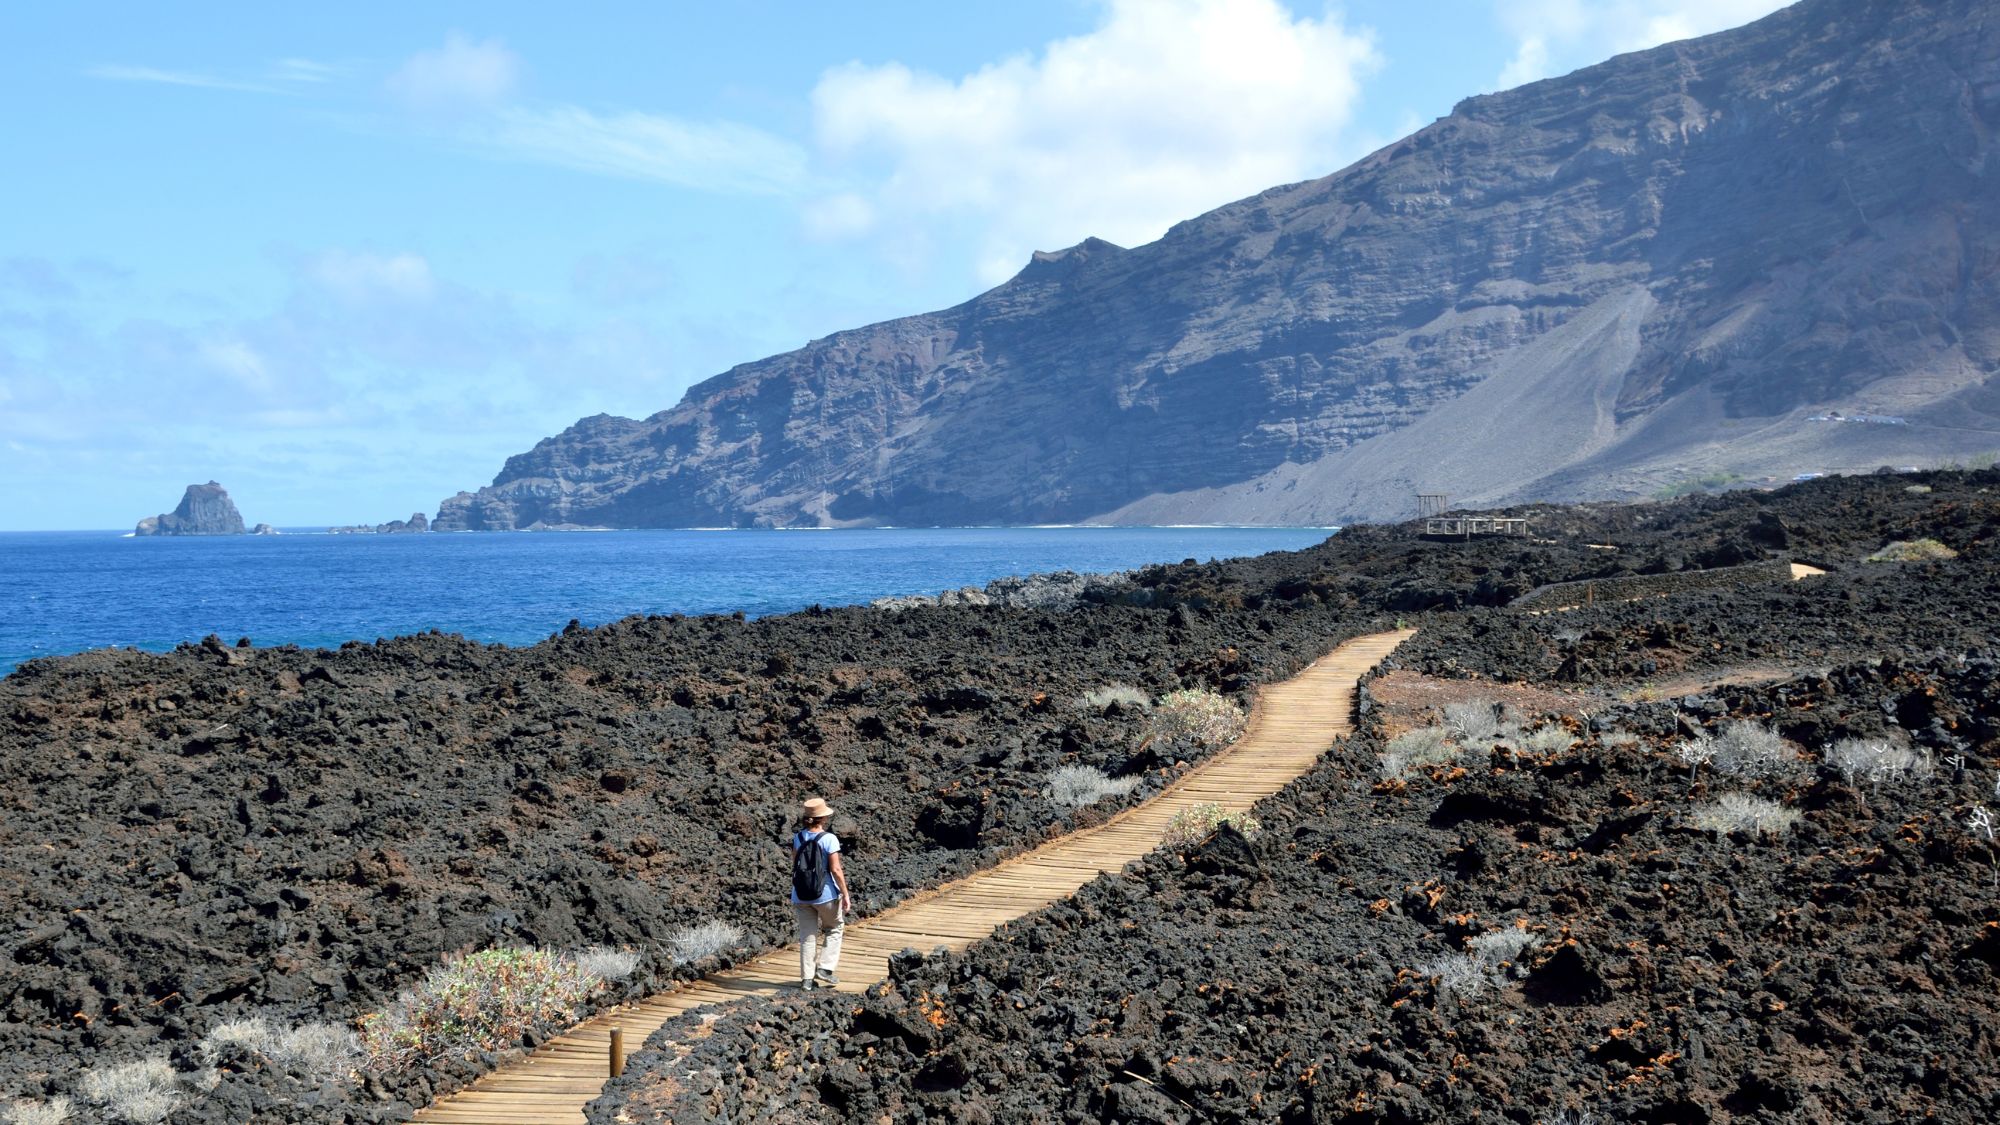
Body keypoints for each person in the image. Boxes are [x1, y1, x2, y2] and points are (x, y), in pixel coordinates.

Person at [789, 796, 851, 990]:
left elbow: (795, 865)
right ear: (823, 818)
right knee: (834, 927)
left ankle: (807, 980)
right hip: (825, 895)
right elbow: (836, 869)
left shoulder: (798, 838)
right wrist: (845, 894)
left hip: (800, 894)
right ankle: (825, 968)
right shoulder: (829, 839)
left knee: (807, 936)